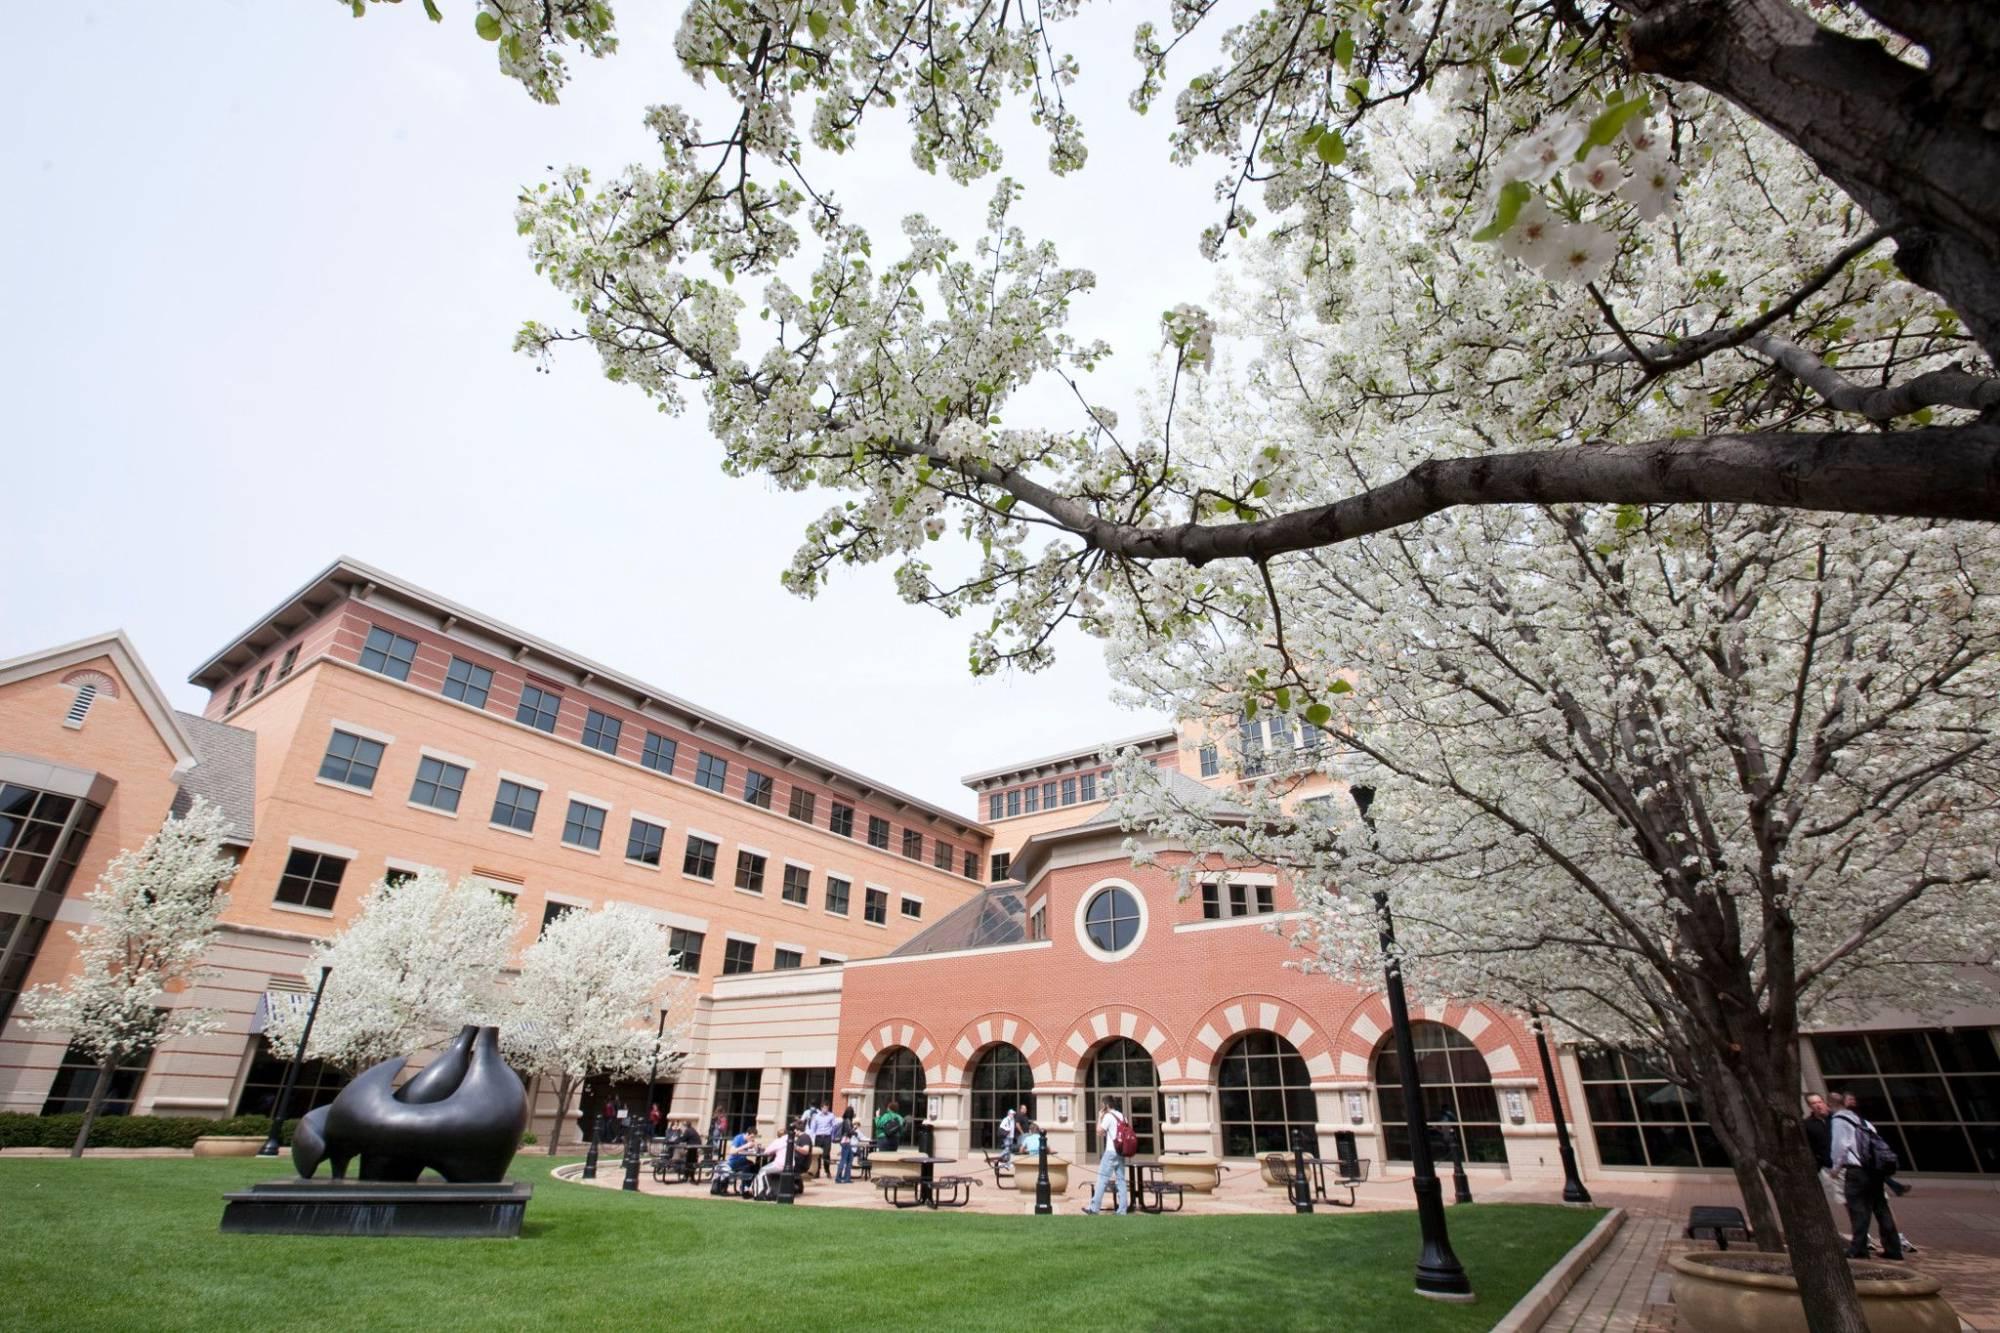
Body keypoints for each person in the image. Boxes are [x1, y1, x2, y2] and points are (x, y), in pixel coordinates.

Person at [1830, 1095, 1904, 1260]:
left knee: (1858, 1211)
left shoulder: (1839, 1120)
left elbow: (1840, 1146)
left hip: (1856, 1171)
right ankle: (1893, 1249)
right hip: (1874, 1171)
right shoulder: (1863, 1121)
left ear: (1832, 1105)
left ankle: (1858, 1249)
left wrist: (1836, 1168)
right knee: (1882, 1209)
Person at [1084, 1097, 1131, 1215]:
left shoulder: (1108, 1117)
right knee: (1121, 1180)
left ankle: (1094, 1208)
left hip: (1111, 1152)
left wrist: (1100, 1117)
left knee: (1102, 1180)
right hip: (1121, 1151)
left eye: (1102, 1105)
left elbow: (1099, 1131)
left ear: (1105, 1105)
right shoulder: (1122, 1116)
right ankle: (1122, 1210)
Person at [811, 1101, 838, 1178]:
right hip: (818, 1137)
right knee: (818, 1155)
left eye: (827, 1108)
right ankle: (817, 1171)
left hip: (827, 1137)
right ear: (821, 1108)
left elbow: (834, 1126)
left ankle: (827, 1171)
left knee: (826, 1155)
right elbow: (813, 1128)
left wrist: (832, 1135)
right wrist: (813, 1137)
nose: (826, 1109)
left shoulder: (831, 1115)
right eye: (824, 1108)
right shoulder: (816, 1116)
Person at [836, 1112, 859, 1184]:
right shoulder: (848, 1121)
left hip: (845, 1142)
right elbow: (849, 1131)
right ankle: (839, 1177)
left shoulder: (844, 1120)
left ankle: (846, 1177)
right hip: (846, 1142)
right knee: (845, 1160)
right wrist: (855, 1131)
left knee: (849, 1159)